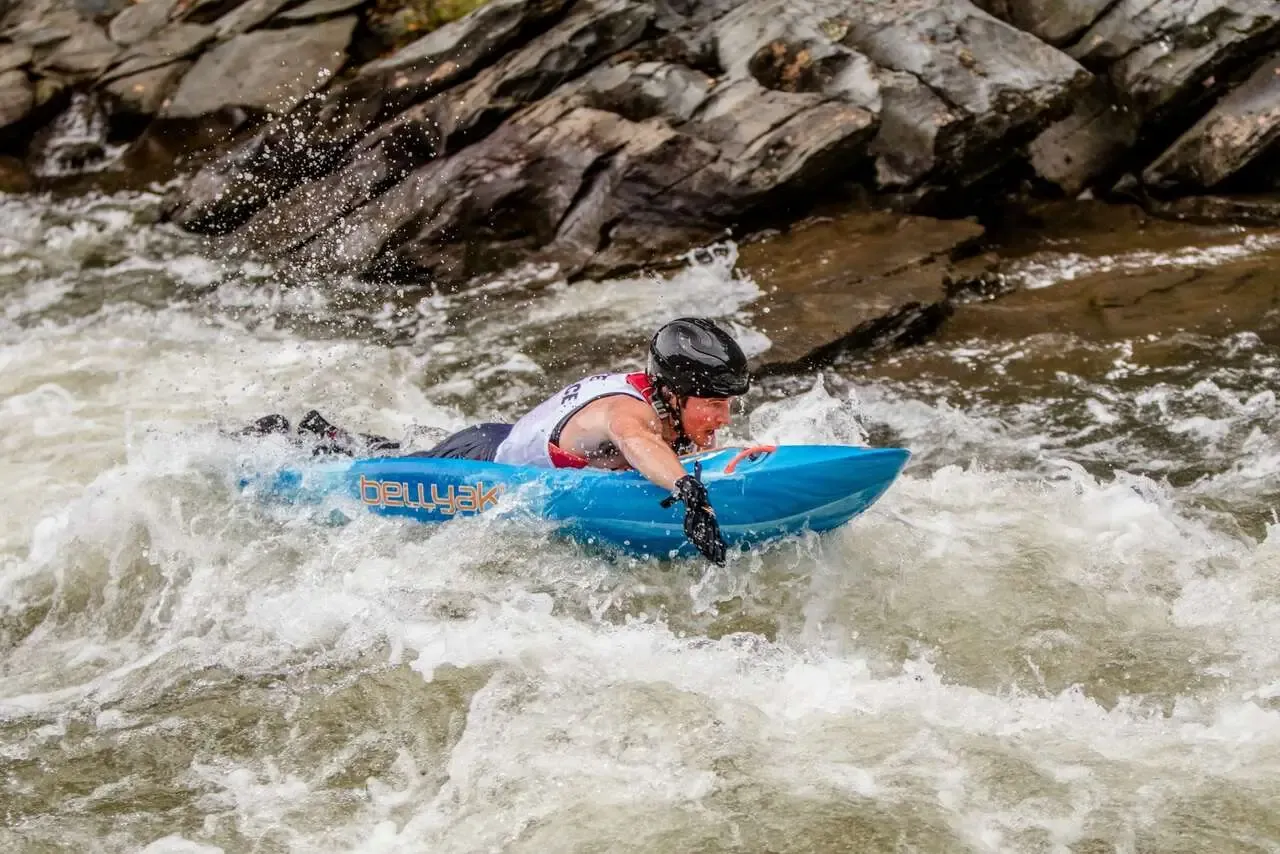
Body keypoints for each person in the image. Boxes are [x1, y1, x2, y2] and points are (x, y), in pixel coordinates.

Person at [240, 317, 750, 564]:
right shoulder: (626, 411)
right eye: (714, 404)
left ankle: (330, 434)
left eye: (729, 405)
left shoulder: (668, 408)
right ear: (673, 392)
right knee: (372, 460)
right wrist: (688, 491)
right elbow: (636, 443)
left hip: (502, 437)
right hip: (480, 458)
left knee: (391, 445)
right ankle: (297, 440)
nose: (723, 418)